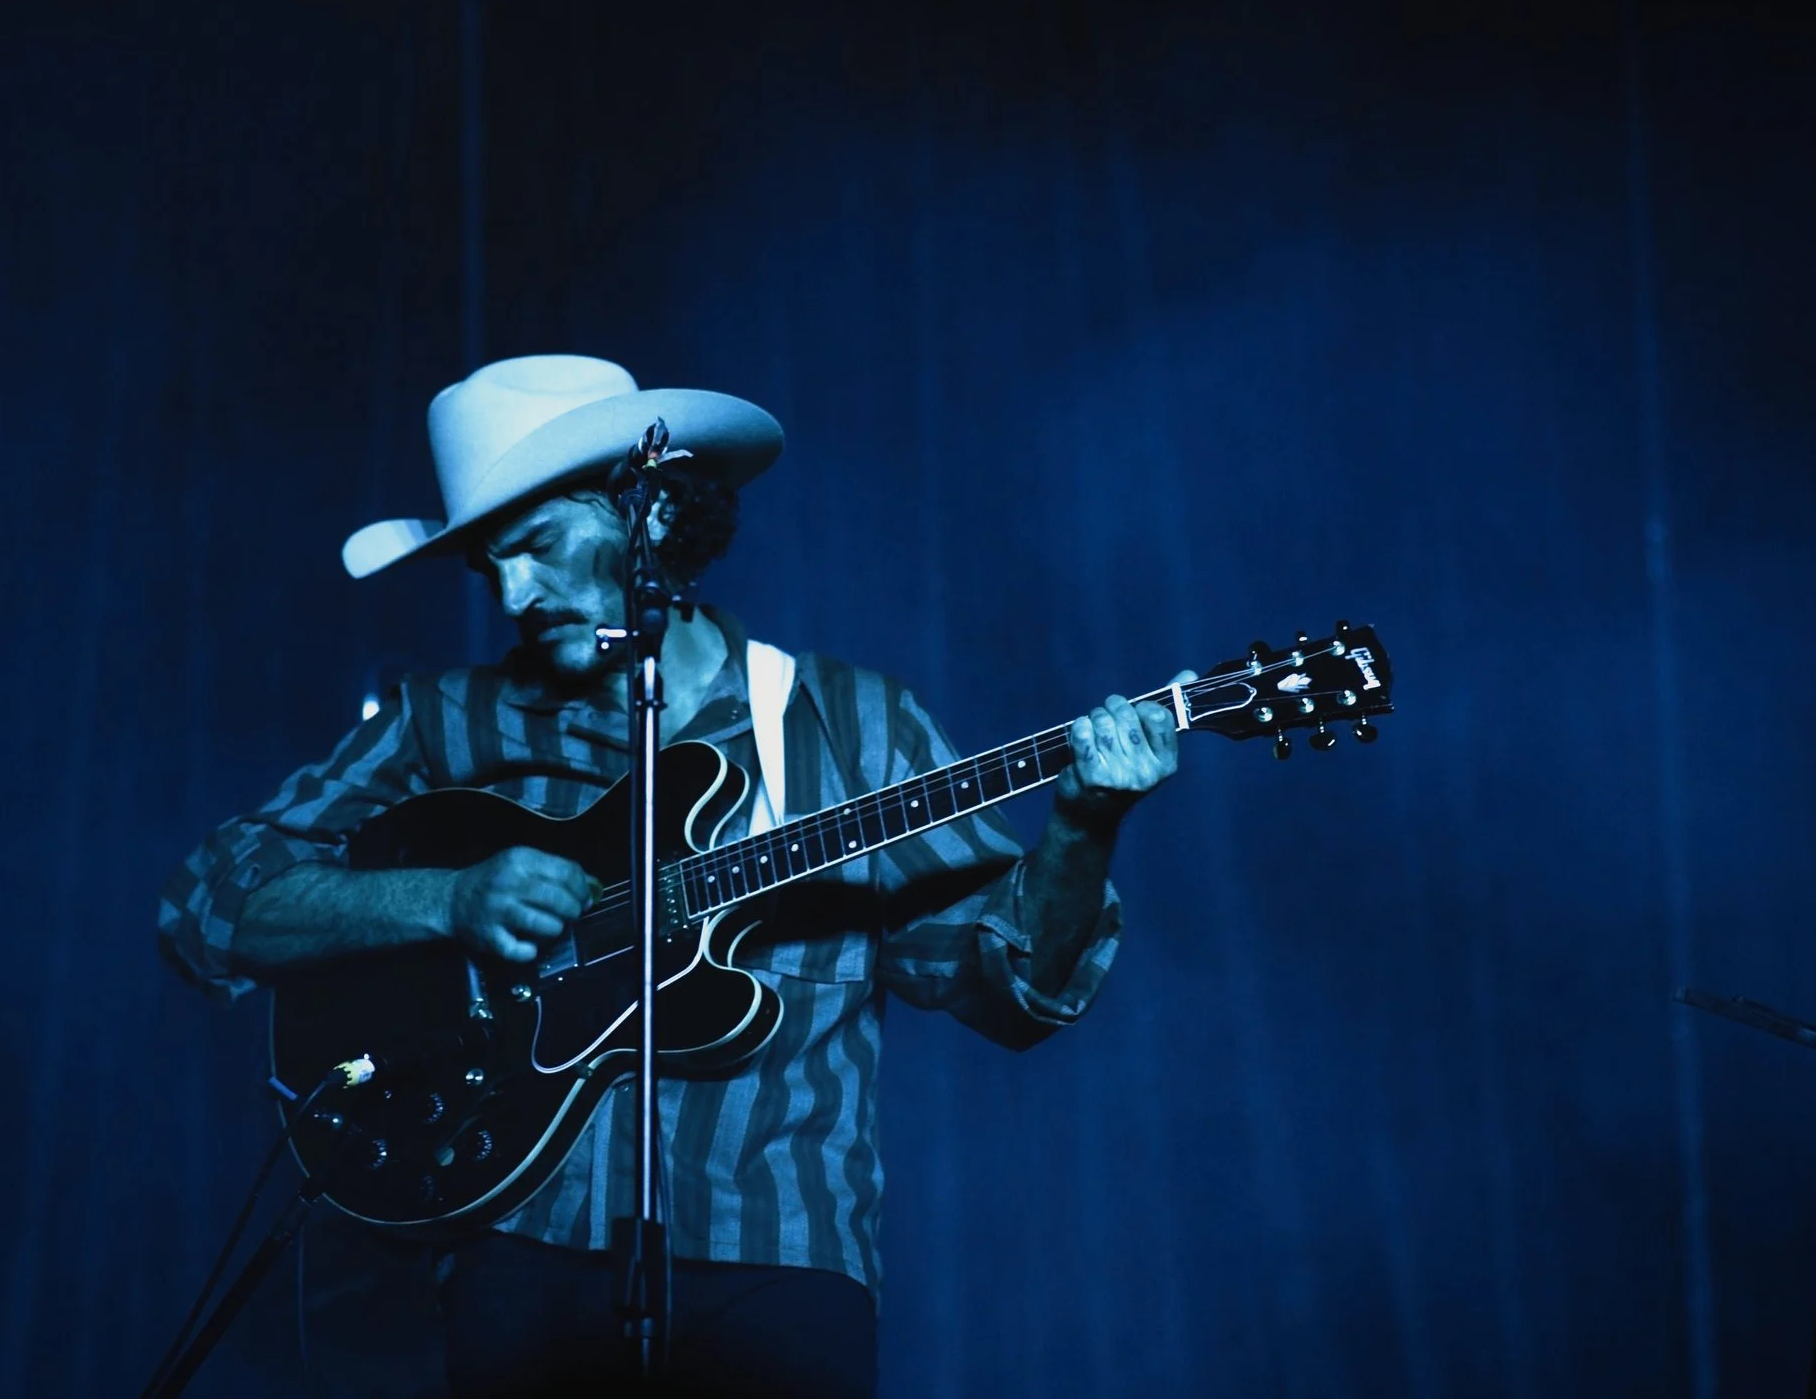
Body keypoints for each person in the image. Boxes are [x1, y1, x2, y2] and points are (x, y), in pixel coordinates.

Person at [157, 355, 1187, 1398]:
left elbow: (1010, 988)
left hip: (777, 1256)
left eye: (538, 546)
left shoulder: (849, 722)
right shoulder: (448, 722)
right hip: (515, 1247)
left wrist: (1083, 823)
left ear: (648, 513)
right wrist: (446, 899)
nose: (514, 595)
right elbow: (208, 906)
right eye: (488, 567)